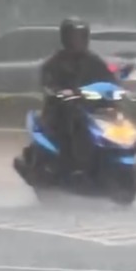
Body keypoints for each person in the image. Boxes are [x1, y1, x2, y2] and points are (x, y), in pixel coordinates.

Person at [39, 17, 117, 178]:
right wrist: (60, 92)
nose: (78, 41)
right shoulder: (55, 63)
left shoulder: (94, 62)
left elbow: (109, 80)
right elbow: (47, 84)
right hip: (61, 110)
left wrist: (117, 92)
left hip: (91, 107)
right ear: (65, 38)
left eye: (81, 36)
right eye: (74, 37)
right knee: (73, 122)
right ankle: (69, 164)